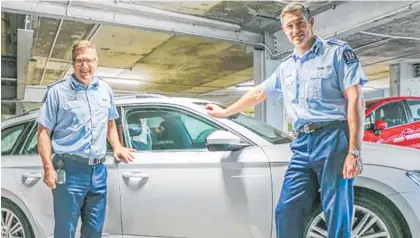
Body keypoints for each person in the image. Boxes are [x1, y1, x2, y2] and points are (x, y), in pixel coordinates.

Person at [205, 3, 365, 238]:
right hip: (302, 143)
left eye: (300, 23)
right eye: (289, 26)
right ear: (284, 30)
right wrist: (226, 111)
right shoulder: (286, 67)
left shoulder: (337, 53)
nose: (295, 30)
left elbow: (355, 100)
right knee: (287, 209)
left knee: (336, 211)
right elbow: (259, 93)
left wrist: (354, 151)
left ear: (311, 23)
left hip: (333, 138)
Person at [37, 40, 135, 238]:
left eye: (89, 60)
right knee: (66, 230)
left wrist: (117, 146)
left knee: (94, 230)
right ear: (72, 63)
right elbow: (43, 132)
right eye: (79, 61)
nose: (85, 66)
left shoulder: (105, 89)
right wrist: (48, 168)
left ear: (96, 61)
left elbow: (110, 122)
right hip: (69, 170)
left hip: (98, 171)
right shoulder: (57, 92)